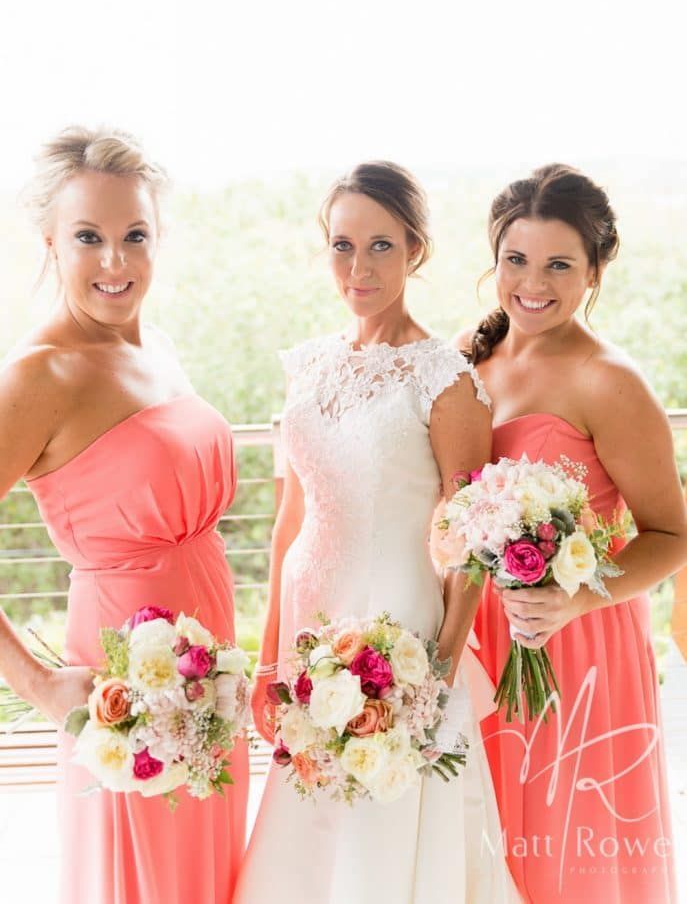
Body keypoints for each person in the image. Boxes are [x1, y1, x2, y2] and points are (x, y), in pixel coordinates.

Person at [235, 161, 518, 903]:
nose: (358, 267)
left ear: (415, 249)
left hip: (396, 619)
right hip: (308, 614)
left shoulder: (444, 380)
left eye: (380, 246)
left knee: (383, 810)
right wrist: (269, 657)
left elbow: (472, 544)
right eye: (341, 245)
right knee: (310, 810)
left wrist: (440, 672)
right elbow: (288, 519)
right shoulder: (310, 365)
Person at [0, 127, 248, 904]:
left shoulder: (156, 349)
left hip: (210, 674)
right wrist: (38, 684)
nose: (115, 261)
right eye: (88, 238)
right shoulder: (42, 375)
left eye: (133, 236)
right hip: (127, 691)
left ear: (157, 239)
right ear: (51, 242)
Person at [458, 163, 686, 903]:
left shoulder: (607, 381)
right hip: (482, 633)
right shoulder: (471, 356)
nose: (533, 282)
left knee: (562, 846)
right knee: (483, 842)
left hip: (574, 643)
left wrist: (574, 604)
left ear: (594, 268)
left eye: (558, 263)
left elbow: (671, 533)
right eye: (515, 260)